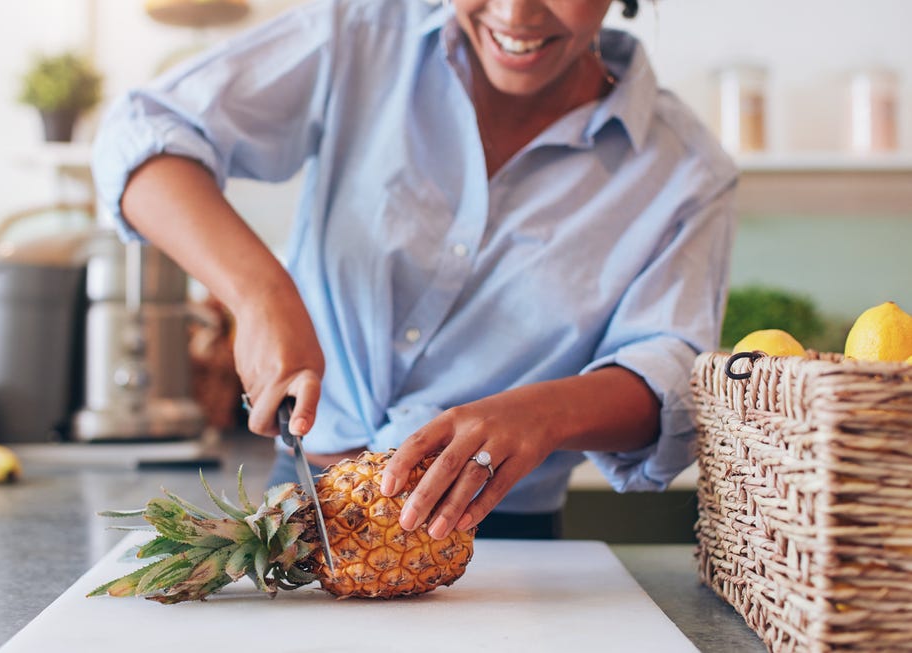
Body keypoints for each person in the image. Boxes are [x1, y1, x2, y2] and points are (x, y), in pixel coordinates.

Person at [91, 0, 737, 540]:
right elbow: (142, 131)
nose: (515, 13)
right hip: (300, 500)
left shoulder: (684, 169)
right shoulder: (363, 33)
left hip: (495, 533)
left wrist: (545, 413)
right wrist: (258, 292)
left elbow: (671, 370)